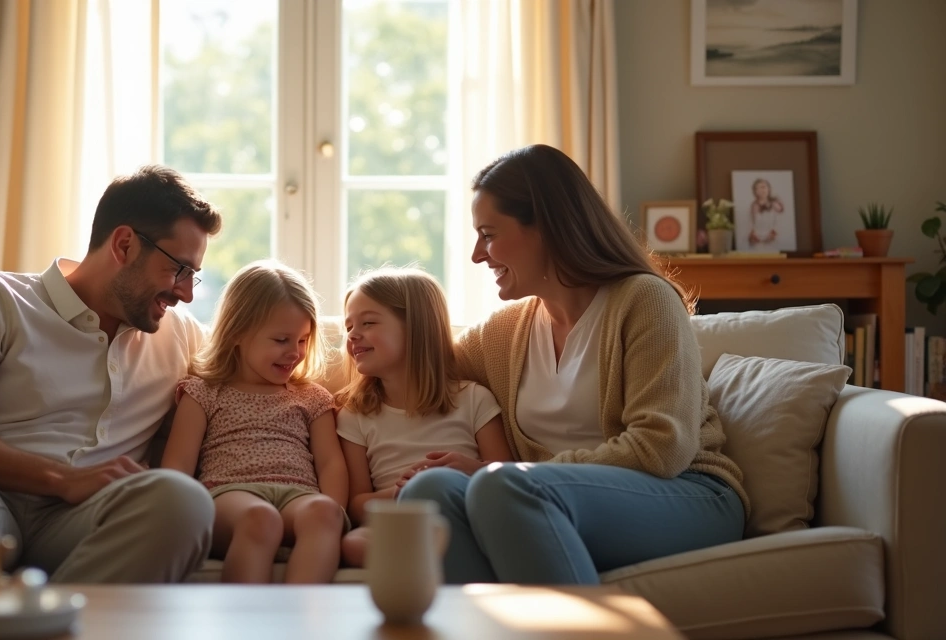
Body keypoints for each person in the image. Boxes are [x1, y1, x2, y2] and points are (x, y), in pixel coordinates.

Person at [399, 144, 748, 585]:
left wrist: (513, 474)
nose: (476, 254)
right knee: (428, 493)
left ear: (545, 227)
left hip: (690, 496)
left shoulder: (644, 301)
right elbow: (422, 371)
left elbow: (662, 447)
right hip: (541, 498)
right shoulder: (504, 334)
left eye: (488, 234)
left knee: (501, 485)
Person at [0, 165, 223, 584]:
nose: (187, 293)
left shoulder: (178, 335)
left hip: (76, 523)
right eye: (179, 269)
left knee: (183, 503)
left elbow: (251, 380)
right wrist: (60, 478)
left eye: (193, 276)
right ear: (124, 245)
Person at [161, 260, 349, 584]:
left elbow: (332, 463)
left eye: (303, 340)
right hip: (228, 497)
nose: (295, 352)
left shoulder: (311, 397)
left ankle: (302, 625)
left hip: (297, 496)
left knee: (325, 514)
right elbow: (177, 464)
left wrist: (333, 515)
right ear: (237, 334)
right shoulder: (204, 392)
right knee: (260, 518)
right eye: (281, 340)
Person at [334, 267, 512, 568]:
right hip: (399, 525)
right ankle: (444, 560)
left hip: (461, 511)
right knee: (353, 544)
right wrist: (400, 493)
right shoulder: (354, 414)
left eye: (367, 322)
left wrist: (471, 470)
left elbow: (507, 476)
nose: (352, 334)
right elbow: (356, 505)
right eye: (349, 326)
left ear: (416, 327)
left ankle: (447, 556)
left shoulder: (472, 399)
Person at [748, 177, 785, 248]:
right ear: (755, 191)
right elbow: (752, 223)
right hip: (758, 239)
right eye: (758, 188)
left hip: (773, 238)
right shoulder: (754, 206)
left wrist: (774, 233)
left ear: (768, 188)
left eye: (763, 187)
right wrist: (753, 235)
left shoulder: (775, 204)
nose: (761, 190)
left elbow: (781, 220)